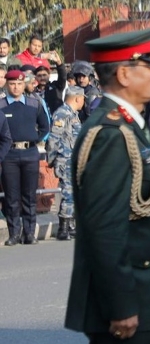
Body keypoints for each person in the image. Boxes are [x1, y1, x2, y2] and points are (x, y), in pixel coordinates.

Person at [64, 29, 150, 344]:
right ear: (125, 75)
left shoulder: (131, 125)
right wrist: (122, 305)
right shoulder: (110, 132)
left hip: (144, 294)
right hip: (127, 301)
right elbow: (104, 228)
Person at [1, 69, 50, 245]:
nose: (16, 87)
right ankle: (14, 233)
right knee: (11, 197)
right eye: (12, 84)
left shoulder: (33, 104)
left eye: (19, 84)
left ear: (24, 84)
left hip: (30, 154)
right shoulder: (1, 106)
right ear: (7, 84)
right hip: (9, 156)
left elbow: (45, 126)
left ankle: (30, 233)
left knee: (29, 196)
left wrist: (34, 139)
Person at [48, 85, 85, 240]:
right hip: (65, 159)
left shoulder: (73, 114)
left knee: (74, 193)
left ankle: (70, 225)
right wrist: (51, 159)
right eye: (82, 99)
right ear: (77, 98)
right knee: (68, 193)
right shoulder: (62, 114)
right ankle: (63, 228)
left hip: (74, 160)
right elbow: (53, 139)